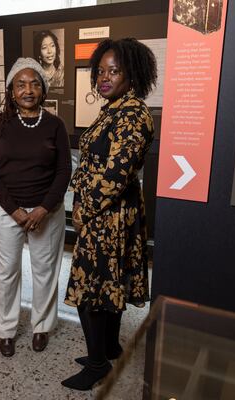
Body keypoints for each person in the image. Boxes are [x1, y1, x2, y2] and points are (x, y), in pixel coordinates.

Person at [61, 38, 157, 391]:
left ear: (131, 75)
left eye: (113, 71)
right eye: (100, 71)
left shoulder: (133, 115)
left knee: (89, 292)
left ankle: (97, 364)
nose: (104, 78)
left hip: (107, 218)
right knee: (109, 285)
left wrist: (82, 210)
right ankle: (111, 347)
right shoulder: (114, 108)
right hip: (110, 215)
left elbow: (115, 176)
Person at [0, 57, 72, 357]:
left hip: (47, 210)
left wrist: (43, 208)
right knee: (7, 271)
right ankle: (6, 330)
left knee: (45, 270)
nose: (28, 90)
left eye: (34, 83)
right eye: (21, 84)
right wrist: (15, 211)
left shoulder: (55, 125)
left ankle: (42, 327)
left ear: (43, 89)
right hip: (9, 210)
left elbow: (63, 171)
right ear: (12, 90)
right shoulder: (0, 124)